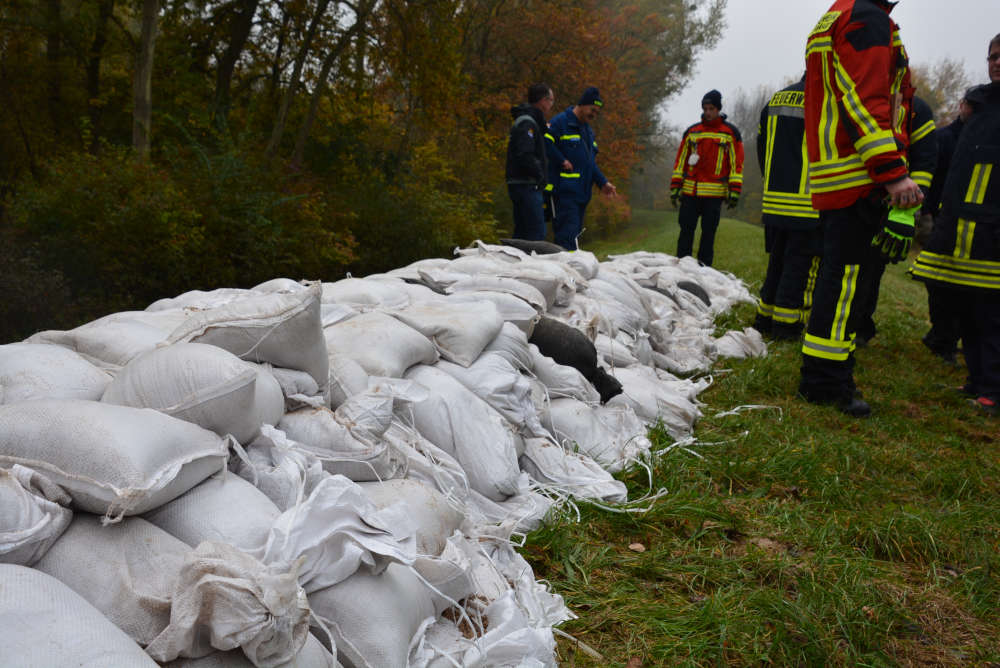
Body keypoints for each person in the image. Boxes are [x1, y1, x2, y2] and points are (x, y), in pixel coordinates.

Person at [799, 0, 923, 417]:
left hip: (837, 170)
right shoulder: (867, 18)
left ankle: (821, 374)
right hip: (859, 174)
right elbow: (864, 100)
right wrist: (892, 172)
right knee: (847, 283)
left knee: (838, 279)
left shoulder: (836, 15)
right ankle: (826, 382)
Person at [912, 38, 1000, 416]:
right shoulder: (980, 108)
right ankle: (976, 379)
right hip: (961, 227)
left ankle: (994, 389)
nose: (997, 62)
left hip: (993, 230)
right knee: (966, 306)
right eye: (993, 57)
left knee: (993, 313)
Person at [851, 94, 937, 348]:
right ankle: (834, 324)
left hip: (887, 206)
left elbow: (925, 160)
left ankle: (860, 326)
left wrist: (907, 210)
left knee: (871, 269)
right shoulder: (862, 97)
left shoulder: (916, 109)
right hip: (849, 199)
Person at [752, 76, 822, 341]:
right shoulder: (823, 100)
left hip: (774, 199)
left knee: (777, 262)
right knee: (800, 268)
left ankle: (764, 319)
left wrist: (769, 178)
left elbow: (761, 143)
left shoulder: (777, 98)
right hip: (807, 202)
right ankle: (787, 327)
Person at [918, 90, 976, 363]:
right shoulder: (942, 139)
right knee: (938, 281)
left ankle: (951, 338)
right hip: (938, 220)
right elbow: (927, 174)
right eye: (970, 105)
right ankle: (942, 335)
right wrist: (925, 214)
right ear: (961, 105)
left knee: (964, 286)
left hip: (976, 226)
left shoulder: (985, 140)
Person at [670, 89, 744, 267]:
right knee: (686, 232)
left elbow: (736, 164)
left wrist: (734, 191)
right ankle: (681, 268)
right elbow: (680, 161)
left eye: (711, 108)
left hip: (714, 195)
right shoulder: (692, 132)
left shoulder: (730, 133)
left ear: (718, 109)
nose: (708, 112)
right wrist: (675, 186)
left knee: (708, 235)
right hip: (690, 192)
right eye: (705, 108)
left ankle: (705, 272)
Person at [544, 86, 617, 250]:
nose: (594, 115)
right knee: (567, 238)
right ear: (583, 104)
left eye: (597, 112)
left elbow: (589, 163)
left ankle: (571, 272)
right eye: (592, 110)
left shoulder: (588, 131)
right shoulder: (560, 122)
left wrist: (603, 183)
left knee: (574, 238)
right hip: (564, 194)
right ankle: (567, 273)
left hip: (582, 195)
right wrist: (561, 160)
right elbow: (545, 143)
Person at [505, 83, 554, 241]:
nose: (551, 106)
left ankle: (519, 263)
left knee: (522, 235)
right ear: (543, 101)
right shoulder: (528, 123)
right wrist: (540, 175)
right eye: (551, 101)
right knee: (535, 235)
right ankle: (533, 264)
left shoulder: (529, 122)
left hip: (524, 184)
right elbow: (525, 154)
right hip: (526, 185)